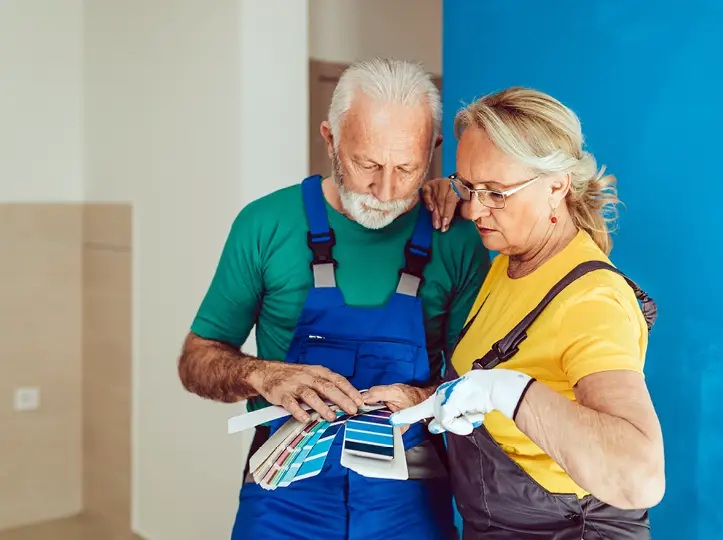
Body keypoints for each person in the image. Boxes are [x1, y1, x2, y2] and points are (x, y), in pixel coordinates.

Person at [177, 58, 490, 540]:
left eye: (407, 167)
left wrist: (424, 397)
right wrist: (264, 374)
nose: (386, 191)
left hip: (411, 501)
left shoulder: (457, 237)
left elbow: (479, 382)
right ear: (330, 139)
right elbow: (196, 361)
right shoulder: (265, 225)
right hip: (282, 500)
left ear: (434, 150)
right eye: (367, 164)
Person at [393, 87, 666, 539]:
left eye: (496, 193)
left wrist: (510, 390)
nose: (476, 208)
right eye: (468, 185)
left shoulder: (591, 301)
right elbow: (489, 388)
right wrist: (424, 400)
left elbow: (640, 475)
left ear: (557, 185)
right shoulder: (511, 255)